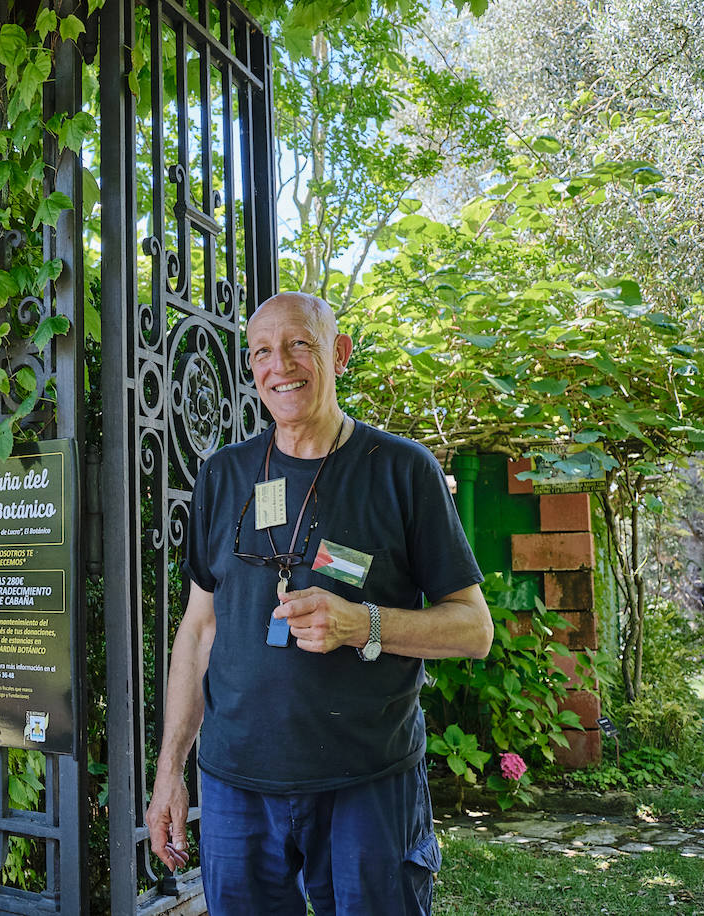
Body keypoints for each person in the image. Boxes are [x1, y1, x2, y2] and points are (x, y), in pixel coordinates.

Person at [145, 291, 494, 915]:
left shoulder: (402, 471)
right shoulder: (223, 475)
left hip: (368, 782)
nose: (280, 365)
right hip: (235, 787)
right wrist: (171, 765)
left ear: (338, 353)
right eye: (261, 353)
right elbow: (199, 630)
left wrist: (365, 624)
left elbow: (473, 630)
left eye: (299, 344)